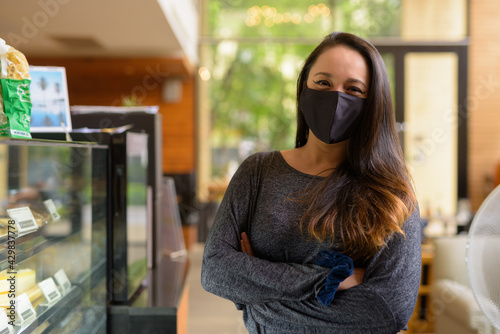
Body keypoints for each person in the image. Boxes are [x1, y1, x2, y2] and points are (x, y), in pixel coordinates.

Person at [201, 31, 421, 334]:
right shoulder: (257, 172)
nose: (336, 96)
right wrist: (330, 278)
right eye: (323, 83)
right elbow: (215, 271)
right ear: (303, 88)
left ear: (373, 103)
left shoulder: (393, 193)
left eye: (353, 89)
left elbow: (386, 311)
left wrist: (258, 297)